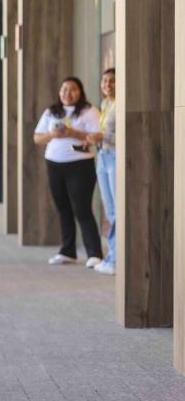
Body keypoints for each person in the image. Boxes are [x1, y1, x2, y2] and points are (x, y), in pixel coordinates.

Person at [33, 76, 102, 268]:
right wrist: (52, 135)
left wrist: (73, 133)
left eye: (72, 89)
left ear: (80, 92)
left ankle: (94, 253)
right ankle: (67, 251)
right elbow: (37, 138)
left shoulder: (89, 111)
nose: (67, 93)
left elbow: (97, 136)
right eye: (64, 89)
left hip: (80, 165)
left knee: (82, 209)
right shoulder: (51, 111)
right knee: (63, 208)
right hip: (54, 165)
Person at [87, 68, 116, 275]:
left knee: (116, 211)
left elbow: (125, 135)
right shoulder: (105, 104)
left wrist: (102, 138)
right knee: (109, 209)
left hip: (115, 157)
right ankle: (113, 256)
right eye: (104, 81)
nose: (107, 85)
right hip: (103, 157)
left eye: (112, 81)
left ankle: (115, 258)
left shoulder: (120, 105)